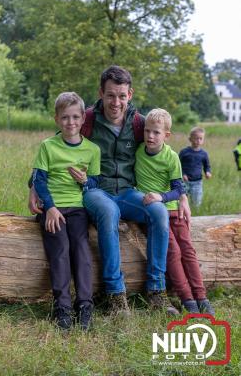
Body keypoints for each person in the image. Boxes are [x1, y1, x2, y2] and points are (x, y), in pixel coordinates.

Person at [29, 65, 191, 316]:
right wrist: (33, 186)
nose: (116, 102)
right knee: (107, 211)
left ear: (130, 94)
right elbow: (55, 148)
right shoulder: (88, 119)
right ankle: (116, 295)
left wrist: (181, 195)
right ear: (101, 93)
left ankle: (156, 291)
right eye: (110, 95)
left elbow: (164, 153)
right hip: (96, 190)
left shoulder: (138, 124)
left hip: (127, 191)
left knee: (158, 212)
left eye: (122, 96)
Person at [135, 108, 215, 315]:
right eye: (147, 131)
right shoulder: (137, 152)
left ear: (166, 135)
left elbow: (179, 189)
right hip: (153, 214)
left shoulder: (171, 157)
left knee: (187, 251)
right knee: (173, 252)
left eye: (156, 132)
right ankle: (187, 299)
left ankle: (202, 297)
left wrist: (162, 197)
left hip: (172, 210)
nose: (150, 136)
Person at [32, 92, 101, 331]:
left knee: (81, 250)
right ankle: (62, 307)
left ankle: (85, 305)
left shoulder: (92, 150)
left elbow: (95, 183)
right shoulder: (48, 146)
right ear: (56, 119)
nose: (70, 122)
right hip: (53, 209)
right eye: (64, 118)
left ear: (83, 118)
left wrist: (85, 181)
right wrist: (49, 207)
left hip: (78, 209)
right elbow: (39, 180)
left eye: (74, 117)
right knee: (60, 249)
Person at [179, 127, 212, 208]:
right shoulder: (184, 152)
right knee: (183, 201)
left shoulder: (204, 154)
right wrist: (183, 174)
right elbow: (178, 165)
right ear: (190, 139)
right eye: (196, 138)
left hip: (197, 182)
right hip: (184, 181)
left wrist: (208, 172)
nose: (198, 141)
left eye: (201, 139)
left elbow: (207, 166)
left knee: (196, 202)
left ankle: (195, 213)